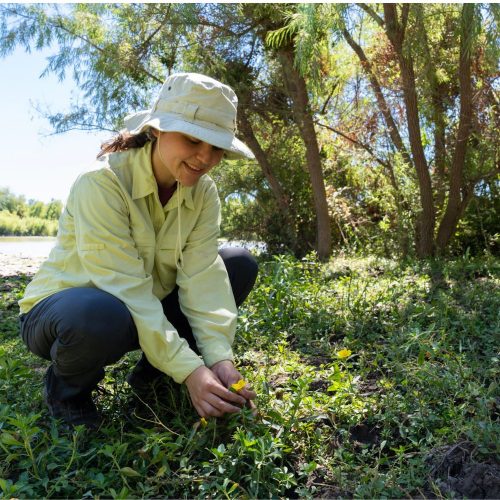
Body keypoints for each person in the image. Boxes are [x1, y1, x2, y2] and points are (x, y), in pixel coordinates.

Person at [18, 72, 258, 428]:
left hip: (136, 305)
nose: (204, 158)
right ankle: (67, 392)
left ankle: (152, 379)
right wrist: (191, 370)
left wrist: (218, 360)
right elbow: (125, 289)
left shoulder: (203, 193)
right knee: (100, 313)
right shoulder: (101, 184)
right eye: (193, 140)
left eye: (216, 148)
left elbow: (203, 275)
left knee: (237, 263)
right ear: (157, 130)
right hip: (68, 312)